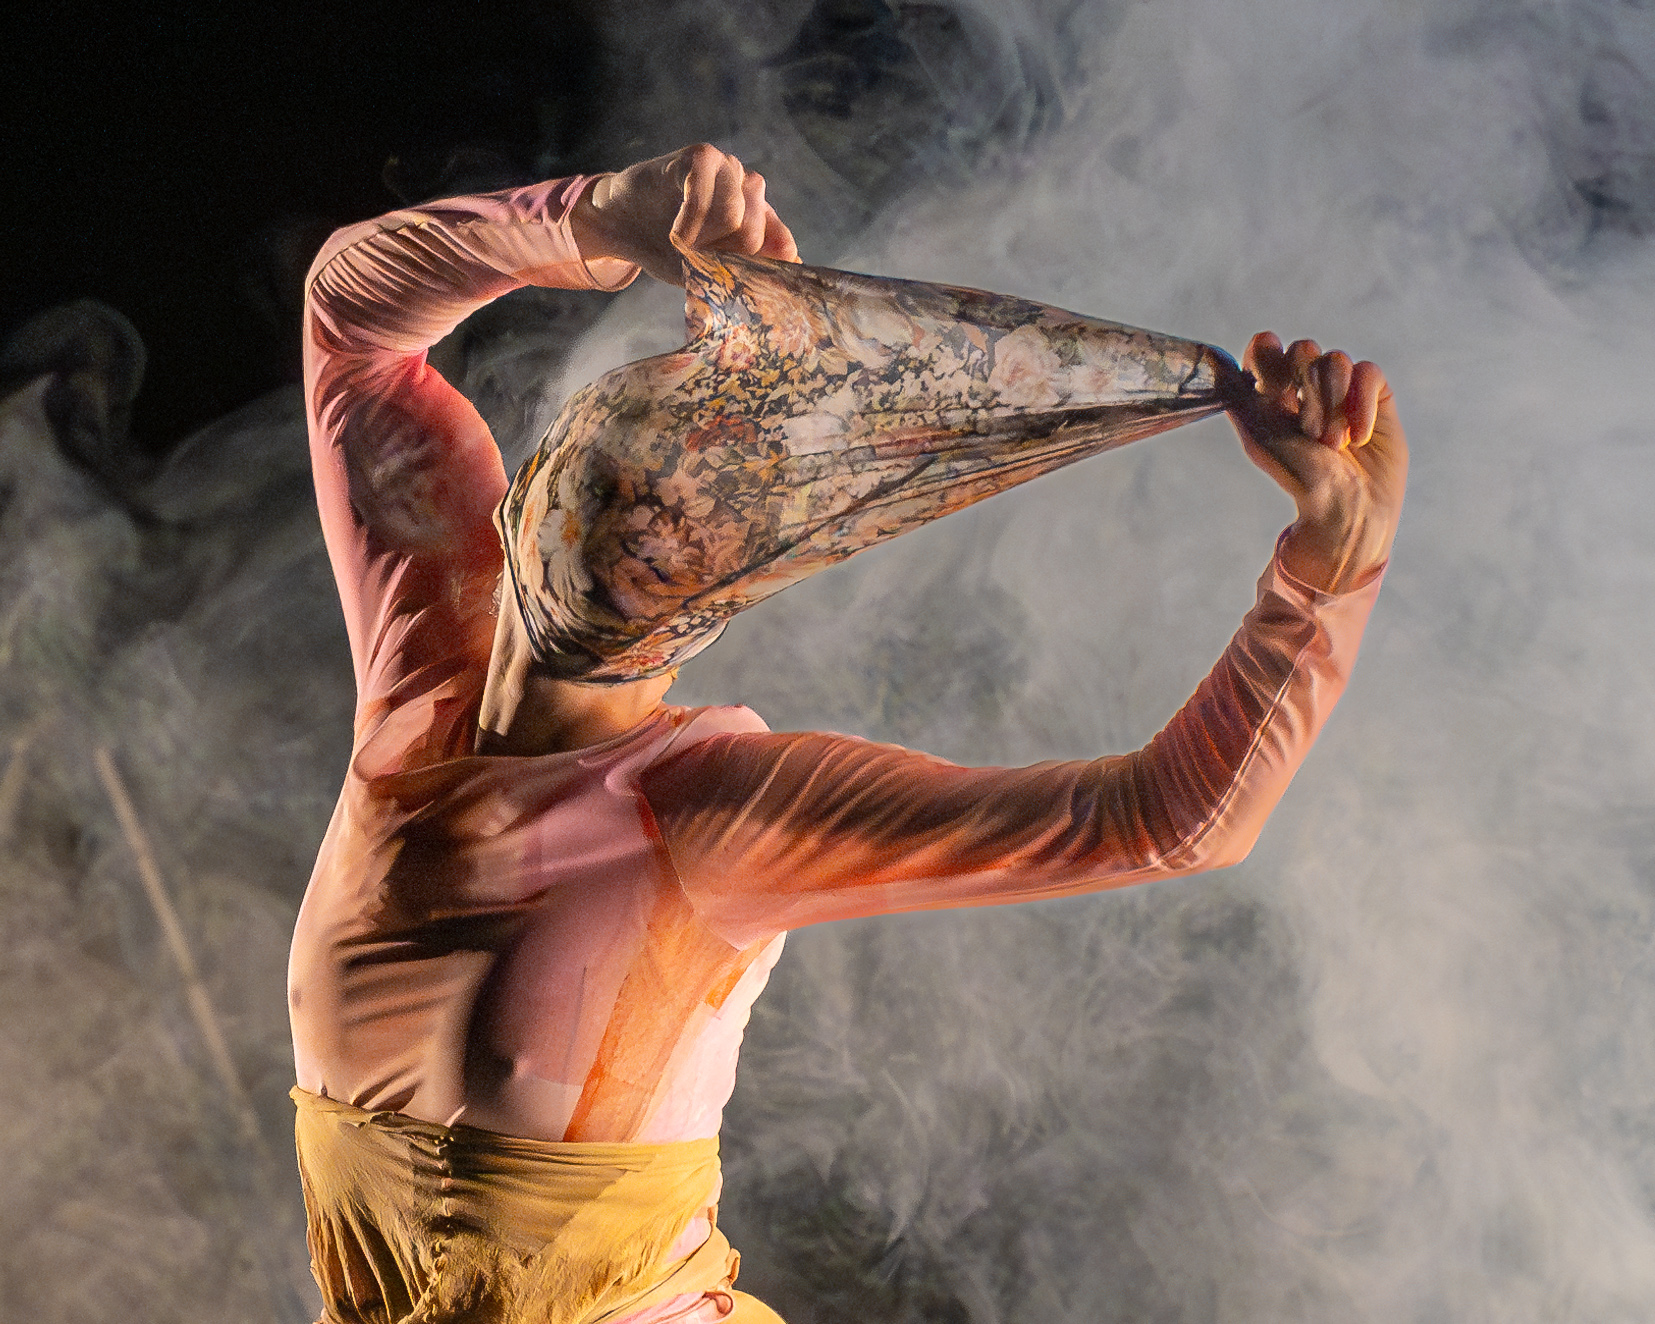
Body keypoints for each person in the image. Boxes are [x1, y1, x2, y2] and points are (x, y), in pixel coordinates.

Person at [288, 144, 1406, 1324]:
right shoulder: (424, 653)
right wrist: (596, 216)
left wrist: (1332, 562)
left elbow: (1160, 821)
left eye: (696, 524)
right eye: (627, 470)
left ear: (719, 593)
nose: (656, 515)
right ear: (526, 486)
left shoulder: (714, 815)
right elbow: (349, 322)